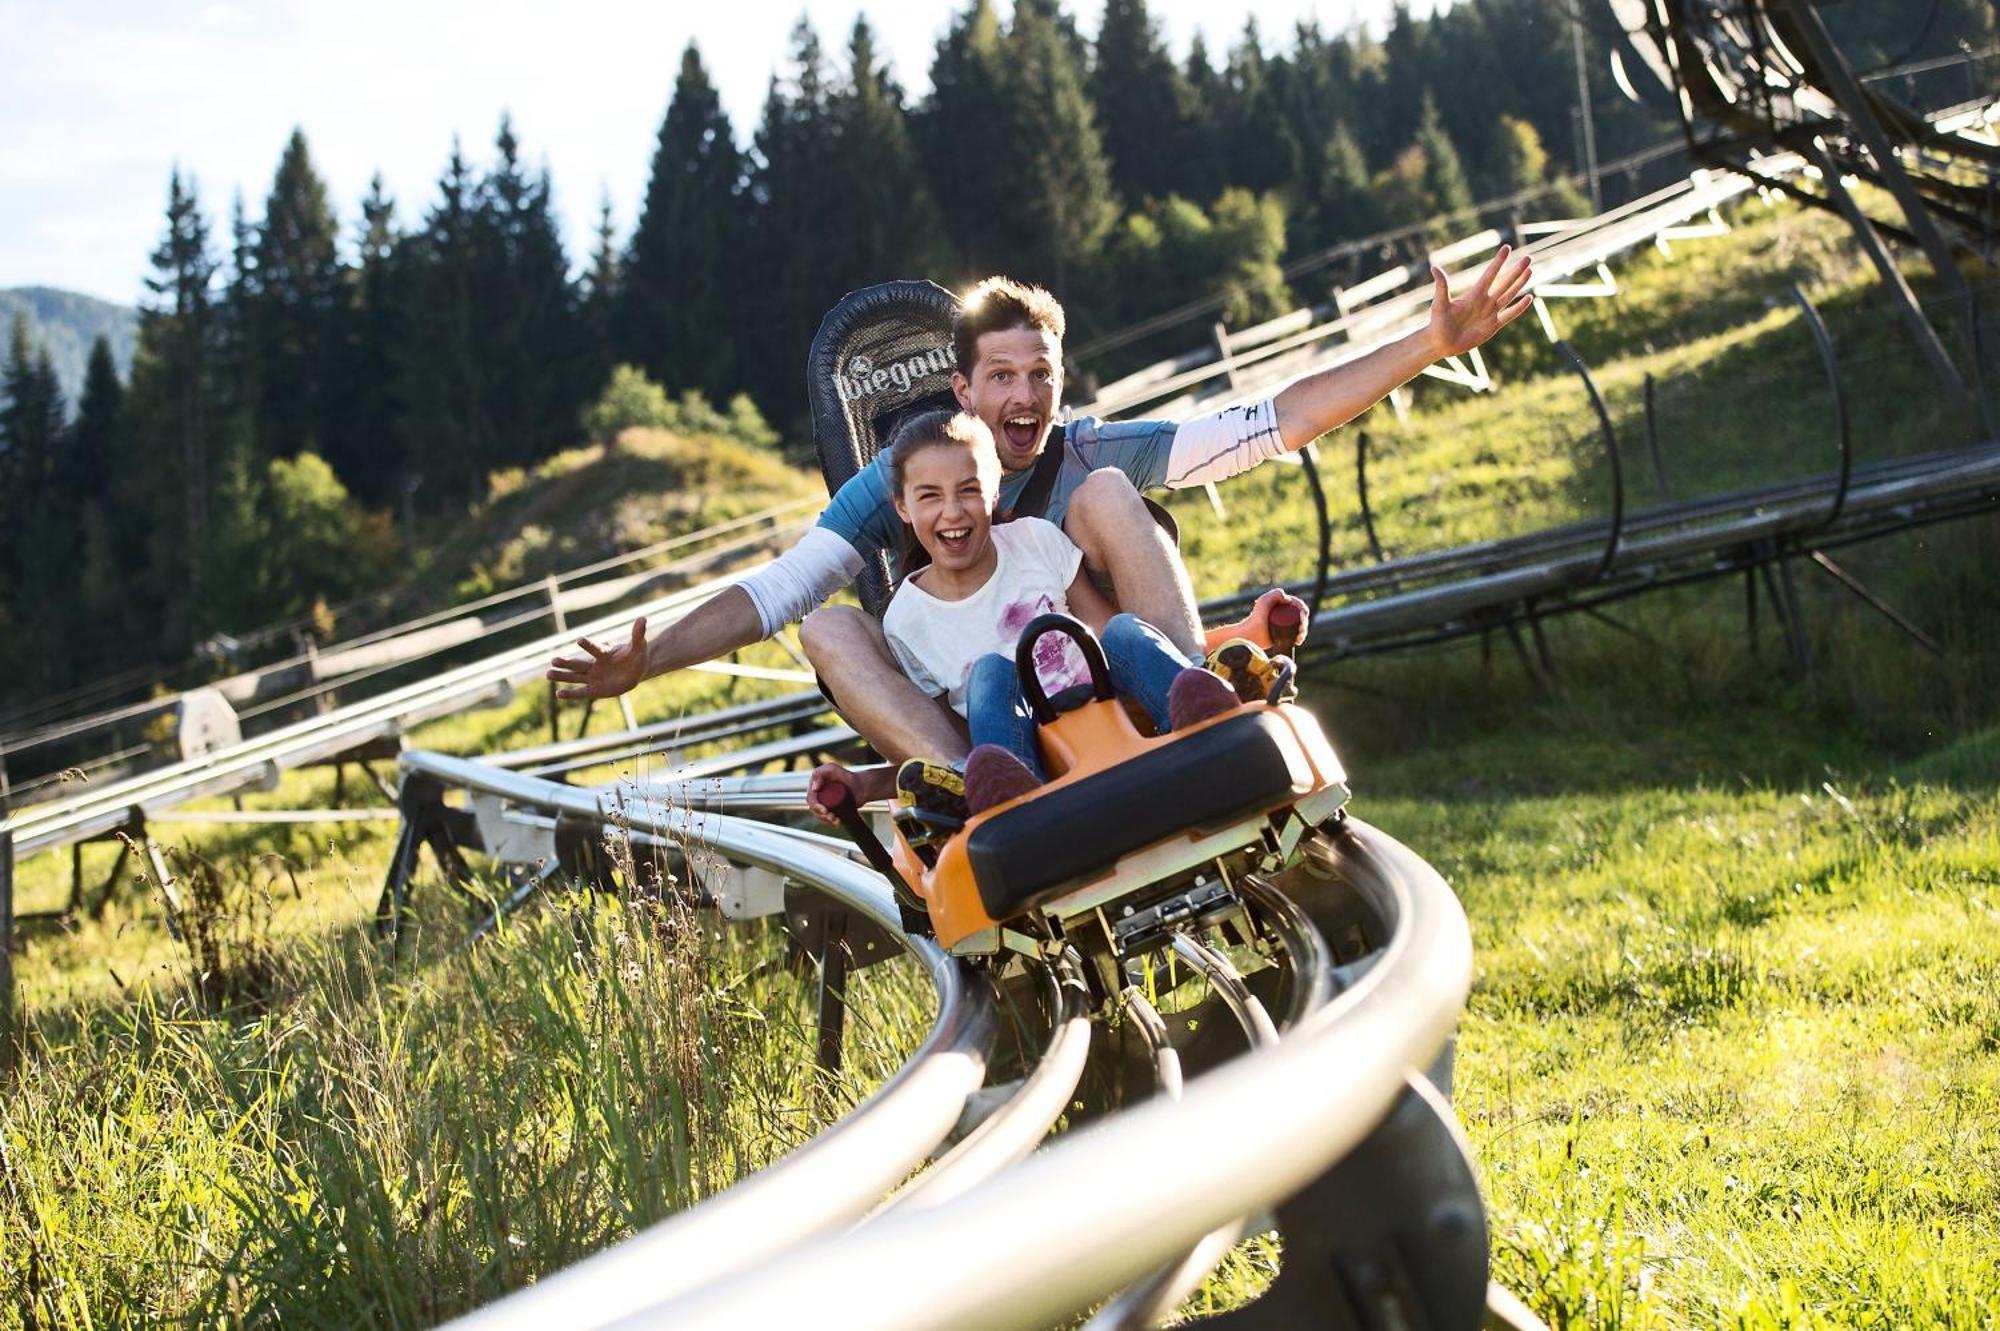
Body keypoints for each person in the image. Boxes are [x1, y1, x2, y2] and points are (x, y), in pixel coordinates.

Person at [548, 254, 1533, 769]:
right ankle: (977, 784)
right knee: (827, 626)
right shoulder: (904, 481)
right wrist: (653, 656)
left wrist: (1426, 344)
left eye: (1041, 374)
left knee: (1105, 493)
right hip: (977, 708)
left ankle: (1189, 699)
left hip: (1107, 667)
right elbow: (774, 591)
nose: (1025, 396)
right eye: (1002, 376)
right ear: (963, 390)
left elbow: (1269, 423)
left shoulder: (1081, 450)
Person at [801, 408, 1246, 831]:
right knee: (990, 675)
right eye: (930, 496)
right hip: (1023, 741)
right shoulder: (905, 620)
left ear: (994, 492)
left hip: (1106, 702)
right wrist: (871, 783)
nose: (953, 511)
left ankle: (1194, 708)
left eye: (969, 490)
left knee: (1126, 630)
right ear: (903, 506)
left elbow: (1101, 628)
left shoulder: (1034, 539)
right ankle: (1008, 787)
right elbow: (941, 730)